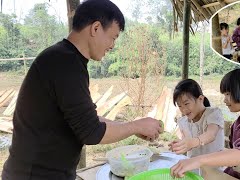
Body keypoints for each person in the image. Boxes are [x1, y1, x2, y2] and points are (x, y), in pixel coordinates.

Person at [2, 0, 162, 180]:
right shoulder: (65, 63)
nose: (112, 45)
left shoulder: (64, 58)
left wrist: (133, 128)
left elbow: (86, 120)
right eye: (113, 37)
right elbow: (91, 131)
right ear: (95, 28)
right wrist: (135, 126)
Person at [170, 68, 240, 180]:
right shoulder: (239, 123)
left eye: (228, 94)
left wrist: (198, 160)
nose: (225, 100)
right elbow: (237, 166)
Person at [168, 79, 224, 169]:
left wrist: (191, 142)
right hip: (193, 168)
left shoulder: (213, 113)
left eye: (186, 104)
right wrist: (180, 146)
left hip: (214, 169)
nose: (183, 109)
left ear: (200, 99)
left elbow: (210, 135)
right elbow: (188, 145)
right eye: (180, 106)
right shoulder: (183, 122)